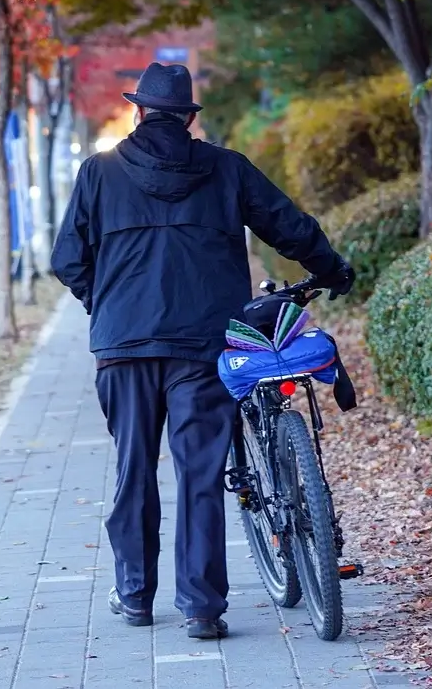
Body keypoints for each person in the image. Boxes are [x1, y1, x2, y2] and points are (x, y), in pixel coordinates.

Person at [50, 62, 354, 640]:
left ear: (138, 112)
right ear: (189, 118)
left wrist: (108, 302)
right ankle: (202, 609)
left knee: (133, 468)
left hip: (124, 348)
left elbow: (68, 260)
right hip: (203, 347)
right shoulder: (226, 169)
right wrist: (331, 268)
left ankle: (136, 595)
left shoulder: (99, 172)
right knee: (201, 474)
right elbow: (286, 225)